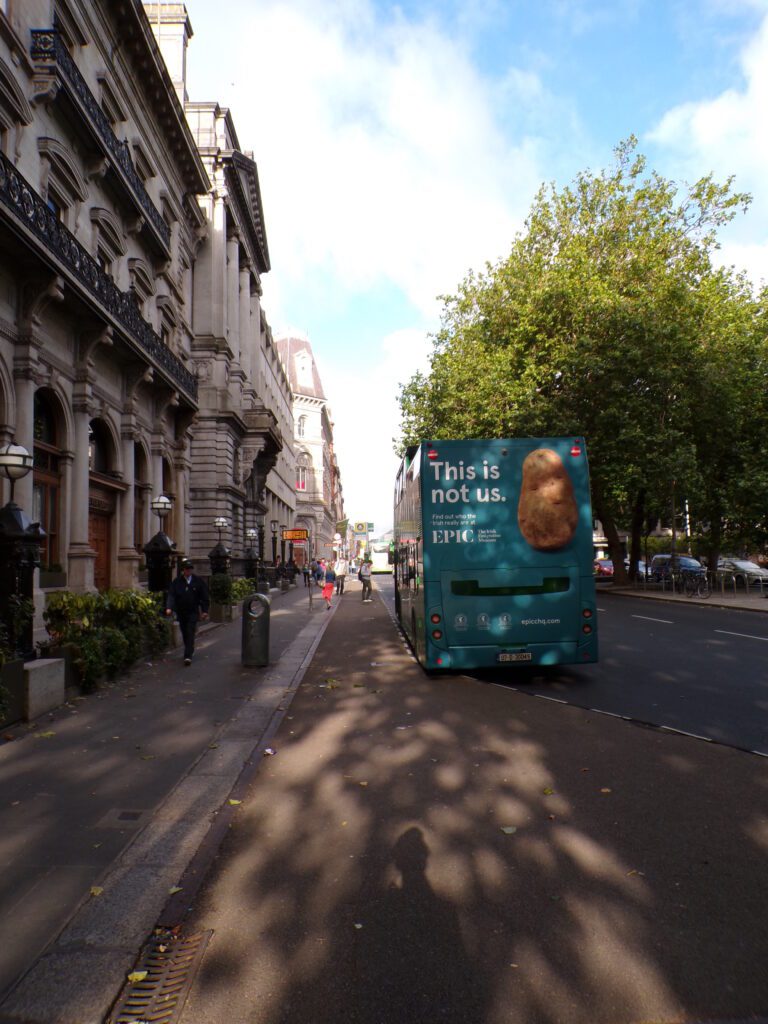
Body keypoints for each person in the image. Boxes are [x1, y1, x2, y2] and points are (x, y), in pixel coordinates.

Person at [165, 559, 210, 665]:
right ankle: (189, 647)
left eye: (190, 569)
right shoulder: (177, 582)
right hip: (181, 612)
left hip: (193, 611)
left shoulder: (198, 581)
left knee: (190, 630)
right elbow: (172, 595)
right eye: (187, 569)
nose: (189, 571)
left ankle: (187, 655)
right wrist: (169, 607)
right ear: (183, 570)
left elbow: (204, 597)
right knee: (185, 632)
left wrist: (205, 610)